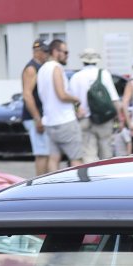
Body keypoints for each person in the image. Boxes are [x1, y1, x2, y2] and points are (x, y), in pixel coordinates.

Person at [66, 48, 122, 164]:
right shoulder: (104, 74)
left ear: (83, 61)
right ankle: (106, 178)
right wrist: (120, 119)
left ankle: (92, 178)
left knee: (88, 154)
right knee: (106, 152)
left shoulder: (76, 77)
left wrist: (77, 111)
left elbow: (71, 101)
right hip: (104, 119)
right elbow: (115, 99)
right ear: (96, 60)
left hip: (84, 119)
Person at [36, 39, 84, 169]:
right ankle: (79, 188)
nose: (67, 55)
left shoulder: (41, 70)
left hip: (50, 121)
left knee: (54, 158)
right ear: (56, 51)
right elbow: (61, 94)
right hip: (65, 121)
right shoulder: (56, 68)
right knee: (76, 159)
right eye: (65, 52)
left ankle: (53, 186)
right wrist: (76, 99)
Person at [20, 39, 55, 174]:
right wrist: (37, 119)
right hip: (34, 117)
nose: (47, 54)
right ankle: (40, 186)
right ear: (37, 52)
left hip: (40, 116)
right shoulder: (31, 69)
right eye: (45, 51)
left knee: (47, 153)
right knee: (42, 154)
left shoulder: (41, 67)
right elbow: (27, 95)